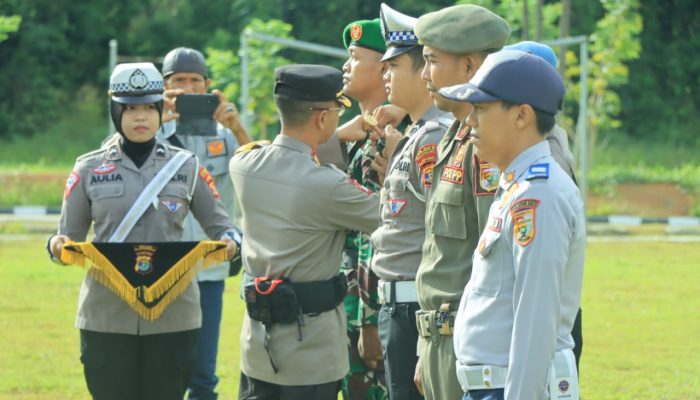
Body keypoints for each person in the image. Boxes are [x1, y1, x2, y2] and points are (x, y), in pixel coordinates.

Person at [45, 62, 239, 399]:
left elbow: (222, 226)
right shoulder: (88, 168)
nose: (140, 117)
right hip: (107, 315)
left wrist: (230, 242)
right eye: (130, 108)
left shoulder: (186, 166)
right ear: (115, 110)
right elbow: (66, 239)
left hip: (174, 314)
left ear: (161, 110)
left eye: (149, 107)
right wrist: (56, 246)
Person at [231, 64, 381, 400]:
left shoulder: (243, 166)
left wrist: (336, 135)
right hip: (310, 355)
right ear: (322, 117)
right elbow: (388, 216)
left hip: (257, 350)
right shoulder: (328, 185)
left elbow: (285, 158)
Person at [449, 50, 585, 400]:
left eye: (480, 109)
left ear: (522, 115)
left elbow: (535, 322)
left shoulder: (540, 196)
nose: (469, 122)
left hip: (510, 388)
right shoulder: (517, 186)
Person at [410, 5, 511, 399]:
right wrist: (427, 349)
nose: (423, 75)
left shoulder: (488, 146)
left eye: (431, 61)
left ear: (469, 65)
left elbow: (498, 263)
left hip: (471, 347)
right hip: (439, 341)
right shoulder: (455, 136)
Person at [157, 46, 251, 400]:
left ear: (209, 86)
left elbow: (261, 167)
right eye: (178, 81)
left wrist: (236, 125)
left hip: (209, 266)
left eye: (196, 81)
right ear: (165, 87)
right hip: (163, 266)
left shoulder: (224, 136)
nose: (188, 88)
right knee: (164, 365)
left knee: (203, 372)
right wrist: (159, 116)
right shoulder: (151, 133)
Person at [369, 4, 451, 400]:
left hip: (418, 311)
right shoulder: (418, 134)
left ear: (423, 71)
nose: (384, 74)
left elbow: (445, 237)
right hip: (401, 308)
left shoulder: (434, 138)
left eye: (394, 65)